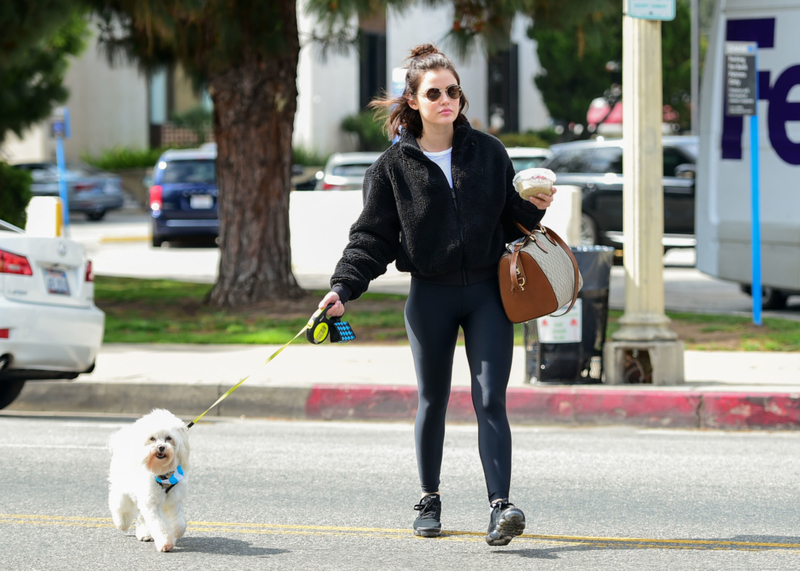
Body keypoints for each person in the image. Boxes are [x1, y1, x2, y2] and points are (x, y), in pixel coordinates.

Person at [318, 43, 556, 546]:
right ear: (413, 101)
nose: (446, 99)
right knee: (434, 399)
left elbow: (512, 219)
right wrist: (343, 287)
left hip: (489, 295)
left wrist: (536, 206)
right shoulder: (390, 169)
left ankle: (501, 507)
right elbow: (372, 238)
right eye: (434, 93)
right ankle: (429, 498)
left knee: (491, 398)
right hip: (431, 297)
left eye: (453, 91)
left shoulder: (488, 152)